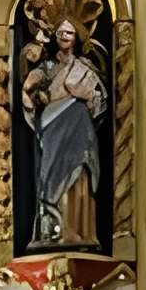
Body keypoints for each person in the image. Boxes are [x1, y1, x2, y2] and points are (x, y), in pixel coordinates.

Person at [24, 17, 107, 250]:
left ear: (77, 38)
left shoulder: (85, 67)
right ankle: (53, 228)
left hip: (79, 125)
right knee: (50, 174)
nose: (64, 37)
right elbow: (28, 88)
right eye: (60, 32)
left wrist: (87, 96)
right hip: (52, 126)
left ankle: (79, 230)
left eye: (69, 33)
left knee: (80, 171)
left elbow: (99, 101)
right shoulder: (48, 66)